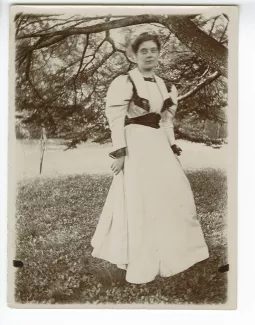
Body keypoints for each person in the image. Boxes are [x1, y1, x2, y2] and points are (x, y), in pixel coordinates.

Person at [91, 32, 209, 284]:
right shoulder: (124, 82)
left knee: (175, 192)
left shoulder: (166, 86)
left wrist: (173, 148)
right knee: (141, 199)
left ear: (159, 53)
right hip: (134, 144)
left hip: (158, 145)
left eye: (153, 50)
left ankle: (174, 252)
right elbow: (115, 120)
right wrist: (120, 153)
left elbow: (166, 122)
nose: (148, 55)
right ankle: (141, 258)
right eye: (143, 51)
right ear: (134, 55)